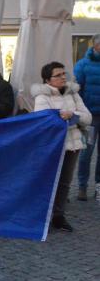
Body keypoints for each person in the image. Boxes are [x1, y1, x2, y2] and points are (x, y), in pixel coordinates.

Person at [32, 62, 92, 232]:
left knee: (65, 182)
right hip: (53, 146)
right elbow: (43, 121)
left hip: (73, 144)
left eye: (64, 74)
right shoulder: (42, 97)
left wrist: (73, 115)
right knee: (49, 180)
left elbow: (87, 118)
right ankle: (42, 214)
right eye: (58, 75)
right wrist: (61, 118)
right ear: (47, 79)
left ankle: (59, 216)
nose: (63, 78)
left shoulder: (73, 94)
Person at [75, 34, 100, 201]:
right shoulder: (83, 65)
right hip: (90, 117)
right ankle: (82, 186)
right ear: (96, 45)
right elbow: (76, 89)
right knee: (86, 153)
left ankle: (98, 186)